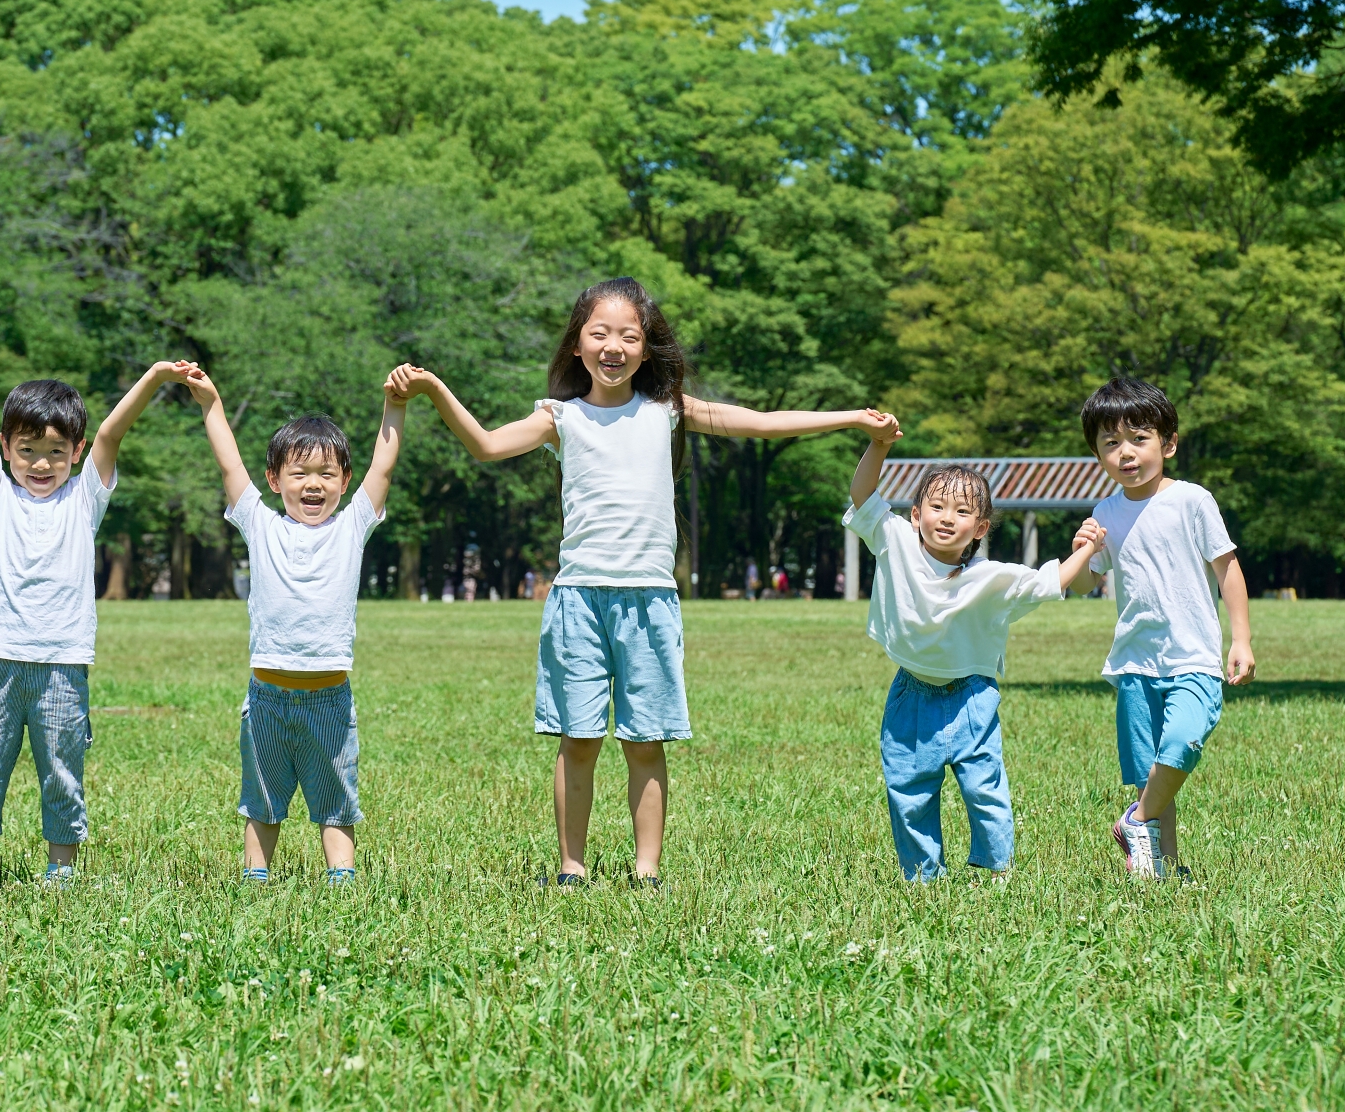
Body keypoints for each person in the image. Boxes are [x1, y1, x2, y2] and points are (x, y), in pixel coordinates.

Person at [386, 276, 900, 889]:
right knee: (577, 741)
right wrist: (434, 389)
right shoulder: (561, 418)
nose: (613, 345)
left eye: (629, 335)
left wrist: (852, 420)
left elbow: (760, 423)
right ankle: (570, 869)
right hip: (578, 600)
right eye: (599, 333)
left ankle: (646, 873)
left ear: (647, 350)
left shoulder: (667, 411)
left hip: (650, 601)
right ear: (577, 346)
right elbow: (487, 446)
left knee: (645, 742)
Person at [0, 299, 188, 896]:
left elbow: (110, 431)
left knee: (62, 772)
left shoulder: (85, 499)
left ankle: (61, 871)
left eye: (54, 451)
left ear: (74, 452)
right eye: (26, 450)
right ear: (5, 448)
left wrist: (153, 378)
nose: (40, 462)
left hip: (63, 664)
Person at [181, 367, 406, 885]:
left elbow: (384, 467)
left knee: (337, 798)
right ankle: (256, 877)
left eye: (327, 474)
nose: (313, 484)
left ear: (345, 483)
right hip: (267, 698)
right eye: (300, 473)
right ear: (275, 480)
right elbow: (228, 464)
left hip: (330, 697)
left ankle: (341, 878)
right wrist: (211, 403)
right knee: (261, 797)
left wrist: (396, 405)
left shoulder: (353, 525)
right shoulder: (259, 524)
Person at [845, 453, 1105, 880]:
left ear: (980, 529)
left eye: (963, 511)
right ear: (915, 515)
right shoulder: (893, 540)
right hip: (911, 692)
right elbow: (862, 494)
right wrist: (877, 445)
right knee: (908, 791)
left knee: (985, 788)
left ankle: (997, 870)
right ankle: (923, 877)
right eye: (937, 507)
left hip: (972, 696)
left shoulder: (992, 577)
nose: (947, 518)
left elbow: (1050, 582)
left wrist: (1088, 549)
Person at [1075, 377, 1255, 880]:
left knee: (1182, 742)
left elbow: (1228, 569)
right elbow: (1090, 580)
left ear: (1168, 443)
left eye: (1139, 438)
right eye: (1110, 444)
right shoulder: (1106, 512)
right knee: (1152, 772)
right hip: (1135, 660)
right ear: (1097, 455)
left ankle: (1135, 821)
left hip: (1192, 655)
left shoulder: (1193, 501)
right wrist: (1085, 548)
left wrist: (1240, 638)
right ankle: (1163, 866)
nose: (1125, 453)